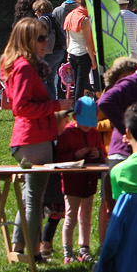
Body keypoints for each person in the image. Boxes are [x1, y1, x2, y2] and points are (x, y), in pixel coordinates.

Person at [0, 17, 74, 260]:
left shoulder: (24, 66)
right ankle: (32, 254)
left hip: (32, 138)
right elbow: (21, 107)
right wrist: (56, 105)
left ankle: (19, 248)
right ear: (27, 40)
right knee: (34, 200)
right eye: (41, 38)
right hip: (32, 139)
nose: (47, 42)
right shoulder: (23, 68)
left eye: (47, 37)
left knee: (29, 197)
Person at [54, 109, 106, 264]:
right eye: (84, 123)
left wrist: (98, 155)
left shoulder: (94, 133)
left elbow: (102, 153)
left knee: (86, 216)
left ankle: (84, 248)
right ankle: (68, 252)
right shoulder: (67, 133)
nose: (87, 127)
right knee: (71, 216)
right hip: (72, 181)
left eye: (90, 124)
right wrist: (74, 156)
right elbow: (59, 157)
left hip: (89, 181)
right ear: (76, 117)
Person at [63, 0, 97, 99]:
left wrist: (68, 53)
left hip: (72, 52)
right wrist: (93, 59)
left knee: (78, 81)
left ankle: (78, 104)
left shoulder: (70, 15)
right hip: (83, 54)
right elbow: (88, 42)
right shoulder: (85, 20)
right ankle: (78, 106)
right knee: (81, 83)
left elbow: (67, 37)